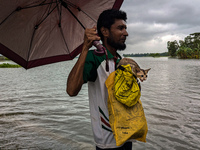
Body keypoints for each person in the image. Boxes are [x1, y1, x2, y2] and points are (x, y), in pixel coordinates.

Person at [67, 9, 131, 150]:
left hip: (126, 135)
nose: (125, 33)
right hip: (108, 142)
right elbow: (71, 90)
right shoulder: (94, 57)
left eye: (125, 28)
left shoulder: (119, 60)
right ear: (105, 31)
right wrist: (85, 48)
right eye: (120, 28)